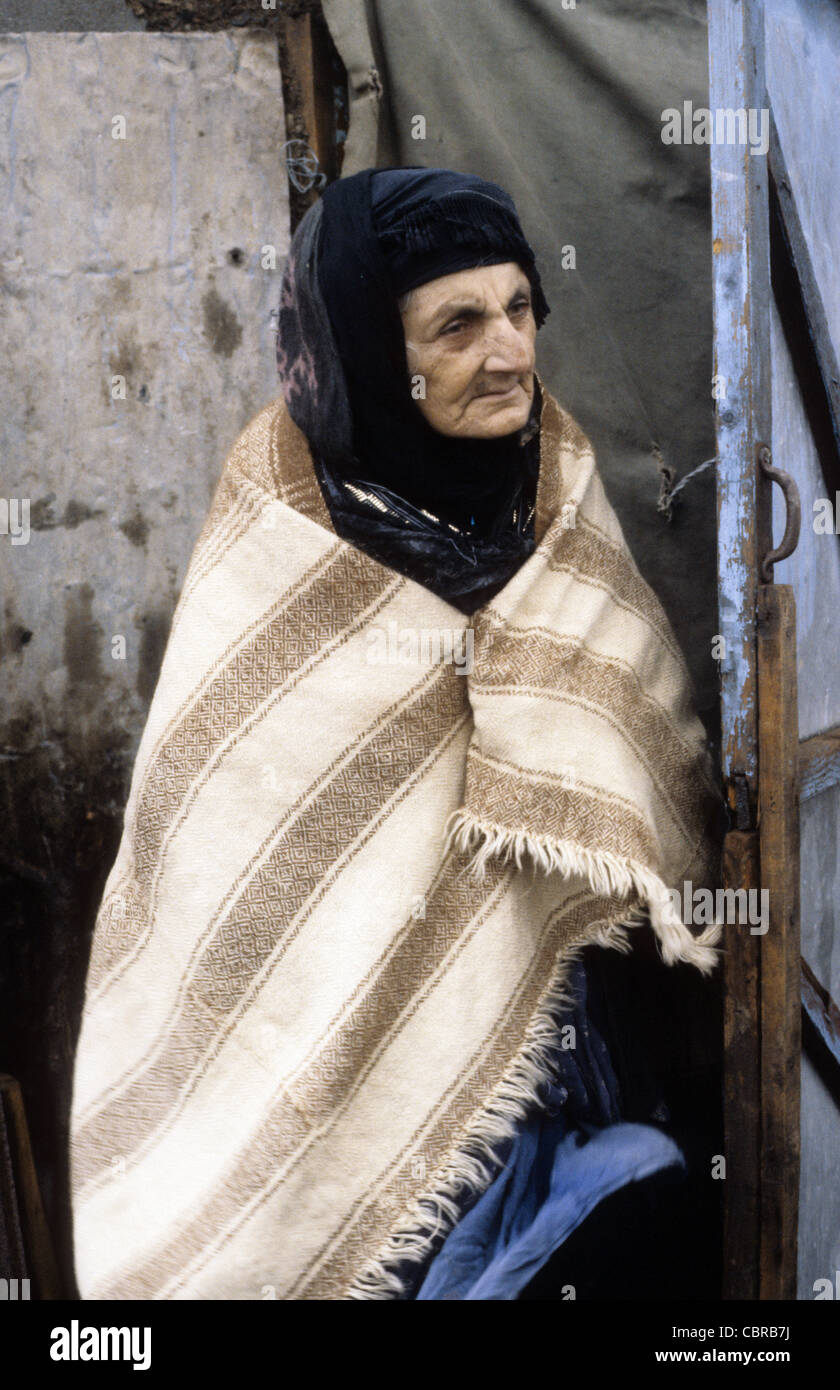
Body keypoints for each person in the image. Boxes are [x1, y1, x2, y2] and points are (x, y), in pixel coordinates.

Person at [69, 166, 724, 1301]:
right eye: (459, 323)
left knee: (626, 1210)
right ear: (372, 348)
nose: (511, 351)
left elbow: (640, 747)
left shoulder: (553, 490)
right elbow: (231, 881)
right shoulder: (281, 533)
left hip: (547, 1067)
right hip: (333, 1103)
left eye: (521, 308)